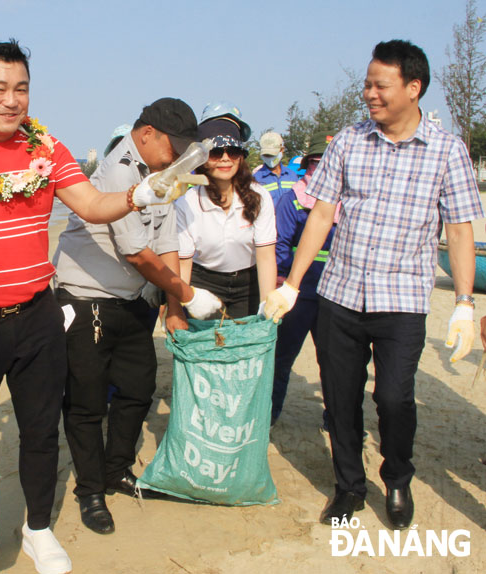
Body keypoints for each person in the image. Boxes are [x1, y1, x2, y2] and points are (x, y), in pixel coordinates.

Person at [0, 40, 179, 574]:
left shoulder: (46, 150)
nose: (11, 100)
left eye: (20, 88)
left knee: (42, 430)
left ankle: (38, 529)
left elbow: (92, 205)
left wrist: (142, 194)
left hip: (38, 315)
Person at [264, 40, 483, 530]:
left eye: (379, 85)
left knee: (394, 399)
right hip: (340, 294)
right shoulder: (348, 140)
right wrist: (293, 284)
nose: (369, 94)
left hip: (402, 301)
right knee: (341, 397)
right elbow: (321, 214)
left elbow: (462, 228)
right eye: (366, 84)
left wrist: (465, 304)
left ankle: (397, 476)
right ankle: (348, 488)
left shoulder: (447, 151)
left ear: (412, 87)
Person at [52, 99, 222, 535]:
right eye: (174, 145)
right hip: (87, 296)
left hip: (132, 299)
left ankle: (117, 469)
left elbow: (164, 240)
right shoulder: (120, 170)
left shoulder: (160, 173)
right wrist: (187, 291)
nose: (178, 155)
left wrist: (175, 307)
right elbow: (136, 251)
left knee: (137, 388)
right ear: (146, 134)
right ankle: (90, 490)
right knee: (87, 401)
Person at [175, 117, 278, 319]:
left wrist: (267, 304)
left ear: (241, 156)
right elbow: (183, 264)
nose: (225, 158)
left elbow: (265, 256)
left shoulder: (259, 196)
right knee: (204, 345)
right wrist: (177, 309)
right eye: (216, 152)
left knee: (244, 347)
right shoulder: (188, 202)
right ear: (203, 159)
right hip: (204, 284)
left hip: (248, 284)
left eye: (233, 151)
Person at [270, 129, 336, 425]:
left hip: (336, 295)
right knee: (281, 359)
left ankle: (338, 421)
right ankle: (268, 416)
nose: (320, 169)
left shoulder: (348, 203)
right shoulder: (293, 200)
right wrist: (282, 283)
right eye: (316, 163)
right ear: (308, 163)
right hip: (297, 294)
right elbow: (281, 244)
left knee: (336, 364)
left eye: (329, 163)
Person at [254, 131, 299, 205]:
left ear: (282, 150)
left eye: (272, 155)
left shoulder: (292, 176)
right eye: (266, 155)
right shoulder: (256, 179)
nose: (269, 158)